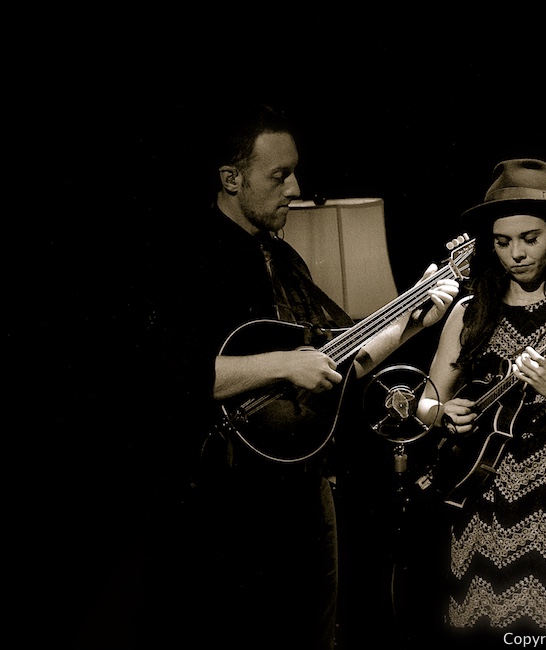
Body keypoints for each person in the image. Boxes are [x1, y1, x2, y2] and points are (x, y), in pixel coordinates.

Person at [144, 102, 459, 649]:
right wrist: (284, 363)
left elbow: (343, 360)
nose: (296, 186)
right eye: (279, 174)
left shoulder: (284, 259)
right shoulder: (191, 260)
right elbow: (166, 374)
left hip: (301, 485)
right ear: (231, 179)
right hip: (223, 501)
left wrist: (416, 318)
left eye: (294, 170)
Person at [416, 158, 546, 645]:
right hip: (482, 507)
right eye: (502, 241)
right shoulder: (470, 313)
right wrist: (441, 414)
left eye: (529, 239)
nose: (515, 254)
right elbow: (429, 401)